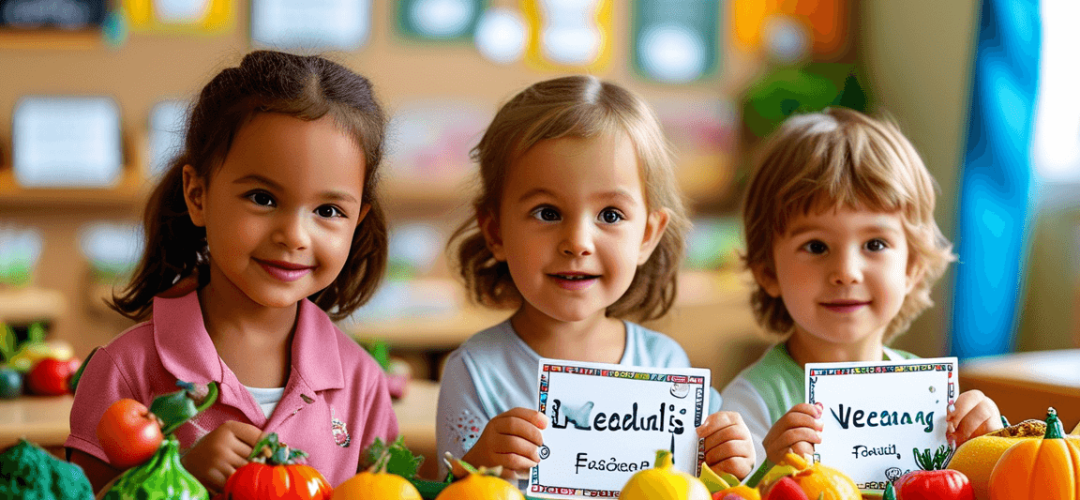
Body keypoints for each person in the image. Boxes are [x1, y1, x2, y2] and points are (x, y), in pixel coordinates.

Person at [66, 50, 397, 493]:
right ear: (197, 194)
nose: (294, 235)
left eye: (328, 210)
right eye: (262, 198)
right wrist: (182, 474)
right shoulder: (124, 372)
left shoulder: (362, 382)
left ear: (357, 221)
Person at [437, 75, 755, 485]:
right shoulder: (475, 372)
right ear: (496, 232)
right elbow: (453, 490)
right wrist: (477, 467)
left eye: (610, 215)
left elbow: (709, 482)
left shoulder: (666, 366)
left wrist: (733, 461)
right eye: (547, 212)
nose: (577, 243)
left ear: (647, 235)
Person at [722, 107, 1003, 469]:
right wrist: (770, 472)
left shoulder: (931, 396)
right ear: (768, 272)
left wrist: (989, 446)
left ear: (912, 267)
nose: (846, 273)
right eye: (816, 246)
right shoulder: (749, 405)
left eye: (874, 244)